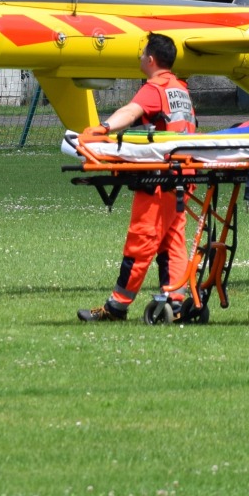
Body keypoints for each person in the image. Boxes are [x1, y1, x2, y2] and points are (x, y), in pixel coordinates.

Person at [78, 33, 199, 322]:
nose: (141, 56)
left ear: (152, 59)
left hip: (158, 181)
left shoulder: (154, 88)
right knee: (172, 242)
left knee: (141, 241)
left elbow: (131, 112)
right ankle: (175, 300)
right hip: (181, 177)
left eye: (143, 52)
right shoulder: (180, 89)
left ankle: (117, 305)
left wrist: (104, 127)